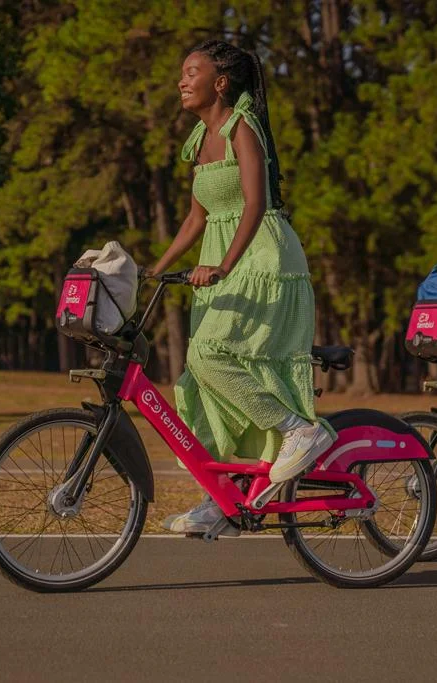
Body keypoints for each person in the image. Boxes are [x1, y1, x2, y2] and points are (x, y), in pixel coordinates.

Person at [149, 40, 336, 535]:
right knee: (201, 381)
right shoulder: (201, 137)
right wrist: (158, 266)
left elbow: (255, 204)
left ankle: (300, 431)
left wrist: (225, 266)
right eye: (182, 72)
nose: (182, 80)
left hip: (262, 260)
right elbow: (197, 216)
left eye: (193, 71)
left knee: (210, 355)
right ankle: (227, 498)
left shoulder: (242, 126)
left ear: (221, 82)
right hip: (223, 262)